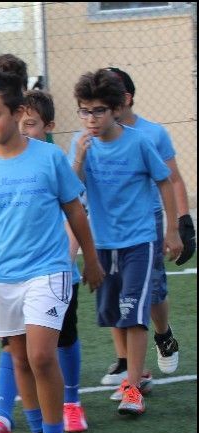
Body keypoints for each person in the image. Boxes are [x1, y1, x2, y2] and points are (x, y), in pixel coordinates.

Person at [0, 69, 103, 433]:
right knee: (20, 358)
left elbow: (75, 210)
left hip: (50, 270)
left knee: (42, 355)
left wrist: (91, 260)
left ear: (17, 112)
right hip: (6, 277)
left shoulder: (49, 157)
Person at [67, 69, 182, 416]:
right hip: (103, 243)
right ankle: (134, 374)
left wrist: (172, 229)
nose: (91, 118)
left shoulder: (139, 142)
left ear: (116, 109)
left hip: (139, 242)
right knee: (114, 314)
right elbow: (71, 192)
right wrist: (80, 160)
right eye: (85, 110)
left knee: (134, 314)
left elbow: (166, 182)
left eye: (98, 110)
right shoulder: (79, 144)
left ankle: (133, 387)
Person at [98, 67, 191, 389]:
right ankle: (126, 362)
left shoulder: (152, 135)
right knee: (115, 291)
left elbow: (171, 179)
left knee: (151, 291)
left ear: (125, 98)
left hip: (146, 222)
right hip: (109, 228)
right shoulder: (94, 139)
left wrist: (180, 223)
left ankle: (163, 335)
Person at [17, 89, 93, 433]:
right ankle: (28, 416)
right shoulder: (9, 161)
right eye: (19, 122)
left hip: (59, 271)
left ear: (47, 126)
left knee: (66, 339)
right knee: (24, 348)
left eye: (30, 124)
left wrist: (71, 256)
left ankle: (73, 402)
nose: (22, 129)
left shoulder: (53, 160)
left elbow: (74, 212)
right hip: (23, 274)